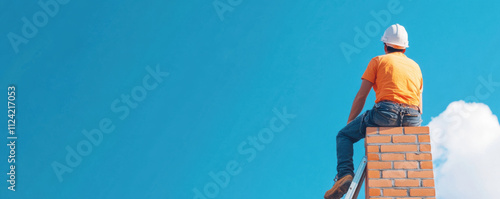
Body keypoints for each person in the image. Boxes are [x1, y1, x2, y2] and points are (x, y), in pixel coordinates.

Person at [324, 24, 423, 199]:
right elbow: (419, 104)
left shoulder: (378, 60)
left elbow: (362, 96)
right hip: (413, 117)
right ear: (405, 48)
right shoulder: (415, 67)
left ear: (385, 46)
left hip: (386, 112)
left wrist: (350, 125)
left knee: (343, 136)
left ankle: (344, 175)